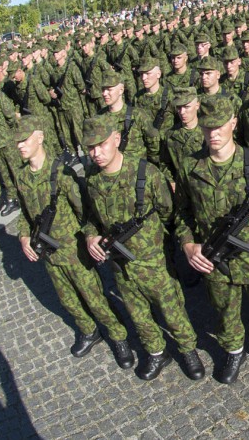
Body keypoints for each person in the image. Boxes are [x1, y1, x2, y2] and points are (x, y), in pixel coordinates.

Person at [175, 95, 249, 385]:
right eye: (206, 127)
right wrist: (188, 244)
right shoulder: (191, 168)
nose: (213, 133)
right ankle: (233, 349)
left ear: (233, 123)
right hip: (213, 258)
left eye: (219, 126)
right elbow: (182, 213)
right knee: (224, 311)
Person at [82, 114, 204, 382]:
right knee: (138, 314)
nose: (96, 152)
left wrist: (158, 243)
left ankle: (188, 350)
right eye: (90, 147)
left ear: (116, 139)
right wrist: (91, 236)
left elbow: (168, 212)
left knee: (172, 310)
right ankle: (157, 352)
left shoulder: (145, 173)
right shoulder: (92, 180)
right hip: (120, 264)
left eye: (101, 144)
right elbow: (91, 218)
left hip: (154, 261)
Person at [11, 115, 132, 366]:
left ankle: (119, 337)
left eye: (25, 139)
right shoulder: (21, 177)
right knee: (68, 300)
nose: (20, 145)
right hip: (48, 253)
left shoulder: (62, 174)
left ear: (40, 137)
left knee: (95, 298)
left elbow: (84, 212)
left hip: (73, 251)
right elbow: (24, 214)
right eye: (17, 142)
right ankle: (89, 331)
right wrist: (23, 237)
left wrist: (89, 239)